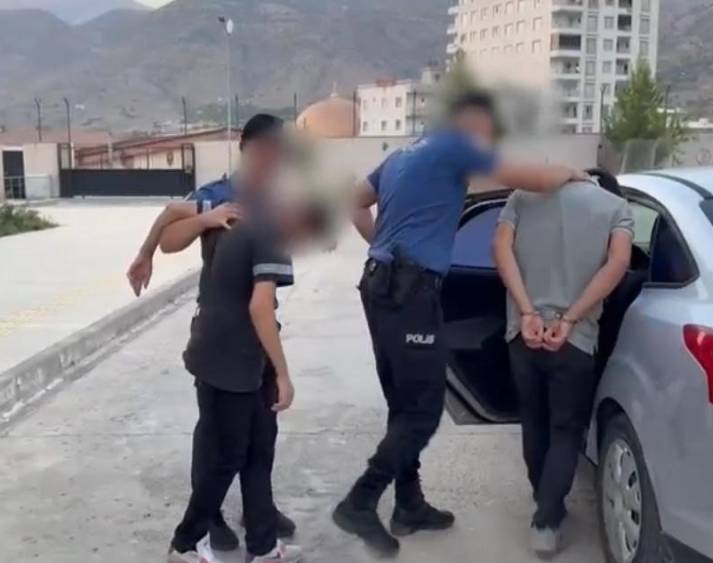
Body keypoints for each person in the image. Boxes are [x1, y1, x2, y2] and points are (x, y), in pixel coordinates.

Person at [333, 92, 586, 557]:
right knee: (423, 411)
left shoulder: (404, 154)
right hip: (410, 293)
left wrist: (383, 250)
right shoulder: (457, 147)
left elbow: (354, 203)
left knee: (403, 402)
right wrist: (571, 173)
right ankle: (360, 501)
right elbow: (532, 178)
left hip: (378, 286)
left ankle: (409, 505)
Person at [126, 114, 297, 551]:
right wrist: (206, 219)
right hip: (223, 339)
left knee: (261, 437)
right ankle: (209, 521)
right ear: (247, 150)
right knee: (218, 441)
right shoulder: (219, 195)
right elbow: (171, 233)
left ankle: (259, 519)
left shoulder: (274, 204)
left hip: (255, 340)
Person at [166, 198, 331, 563]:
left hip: (230, 354)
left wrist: (202, 219)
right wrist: (284, 373)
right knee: (226, 458)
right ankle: (185, 544)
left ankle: (263, 547)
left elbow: (172, 214)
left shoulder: (238, 214)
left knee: (258, 449)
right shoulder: (273, 232)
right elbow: (260, 307)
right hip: (231, 360)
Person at [492, 171, 633, 558]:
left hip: (523, 332)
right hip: (574, 339)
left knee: (533, 422)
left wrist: (526, 311)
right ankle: (546, 522)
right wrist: (571, 317)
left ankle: (546, 501)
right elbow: (619, 263)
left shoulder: (522, 197)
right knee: (565, 430)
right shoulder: (616, 207)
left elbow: (500, 250)